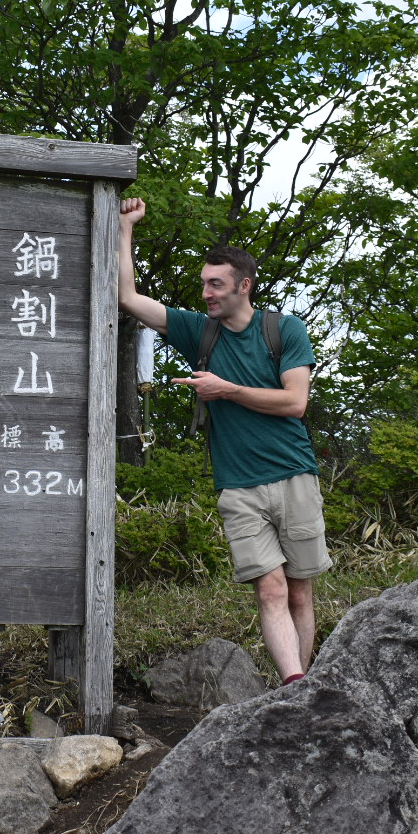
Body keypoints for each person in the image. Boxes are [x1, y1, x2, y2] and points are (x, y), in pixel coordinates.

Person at [117, 198, 332, 684]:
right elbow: (127, 298)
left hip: (294, 473)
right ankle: (295, 686)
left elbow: (295, 402)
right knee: (270, 589)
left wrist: (226, 390)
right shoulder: (199, 332)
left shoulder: (283, 330)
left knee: (300, 591)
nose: (207, 293)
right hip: (237, 486)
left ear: (244, 286)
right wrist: (125, 229)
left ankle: (300, 688)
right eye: (204, 284)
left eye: (216, 284)